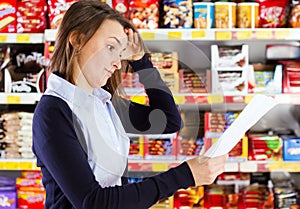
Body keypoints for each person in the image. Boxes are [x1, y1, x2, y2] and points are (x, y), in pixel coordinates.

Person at [32, 1, 228, 208]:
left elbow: (169, 120)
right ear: (77, 40)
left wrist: (141, 61)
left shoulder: (103, 104)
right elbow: (92, 202)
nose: (118, 63)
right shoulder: (53, 112)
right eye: (110, 47)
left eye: (120, 52)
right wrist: (185, 175)